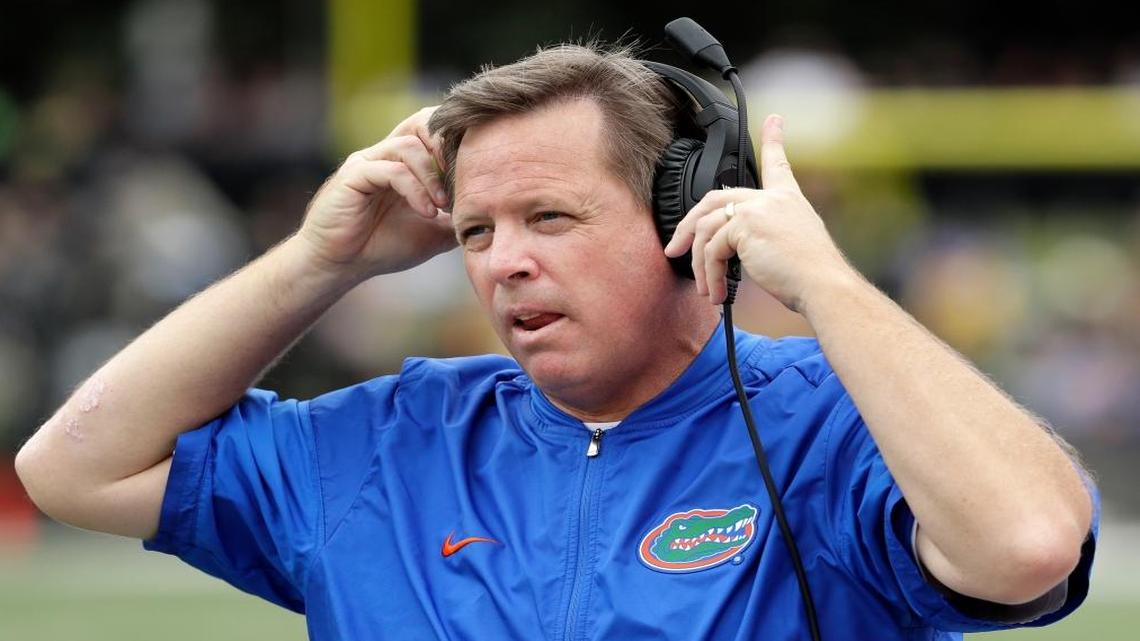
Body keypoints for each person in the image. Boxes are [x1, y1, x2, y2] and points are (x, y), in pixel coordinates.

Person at [15, 42, 1097, 640]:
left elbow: (1029, 544)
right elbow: (73, 463)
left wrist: (824, 284)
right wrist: (318, 262)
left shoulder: (829, 419)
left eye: (551, 219)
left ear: (687, 215)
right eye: (476, 229)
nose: (503, 261)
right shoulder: (396, 436)